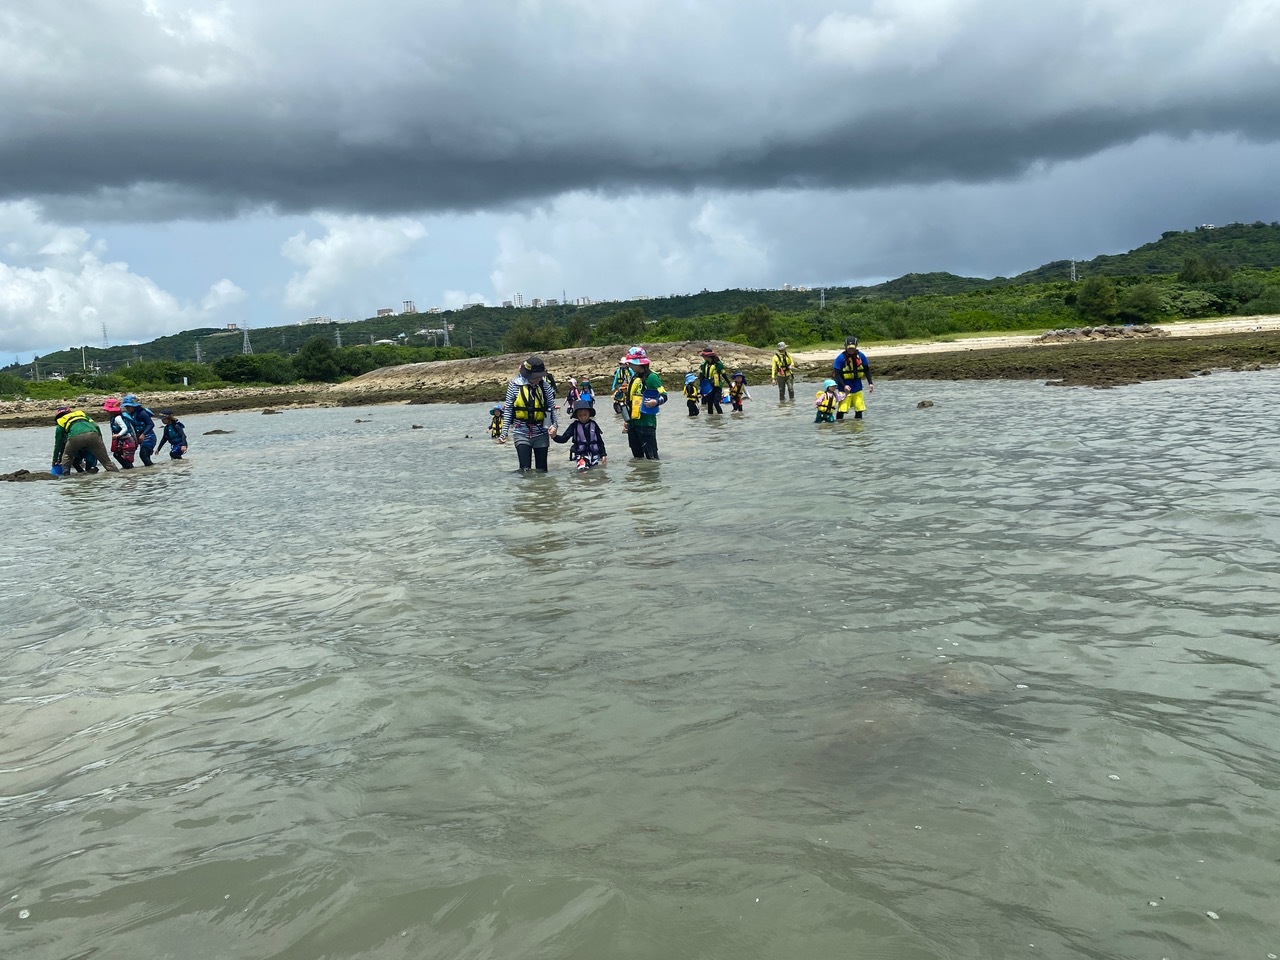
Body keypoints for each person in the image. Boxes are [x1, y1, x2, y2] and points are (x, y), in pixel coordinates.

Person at [497, 356, 560, 473]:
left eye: (540, 376)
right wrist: (504, 433)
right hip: (521, 432)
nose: (538, 379)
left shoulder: (544, 386)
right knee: (525, 470)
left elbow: (551, 408)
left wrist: (555, 426)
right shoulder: (514, 385)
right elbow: (509, 409)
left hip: (541, 432)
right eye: (535, 377)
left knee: (542, 471)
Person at [51, 406, 119, 474]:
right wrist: (100, 440)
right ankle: (117, 475)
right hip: (93, 434)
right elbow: (96, 426)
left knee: (67, 456)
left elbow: (58, 444)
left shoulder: (61, 422)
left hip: (75, 437)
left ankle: (66, 475)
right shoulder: (81, 415)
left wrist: (55, 460)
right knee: (106, 462)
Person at [624, 353, 667, 459]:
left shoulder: (652, 377)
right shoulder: (634, 377)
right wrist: (626, 420)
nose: (629, 365)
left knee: (651, 457)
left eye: (631, 363)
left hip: (646, 423)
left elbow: (664, 396)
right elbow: (630, 401)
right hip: (633, 422)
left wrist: (656, 402)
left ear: (639, 364)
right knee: (637, 457)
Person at [553, 398, 608, 472]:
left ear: (589, 413)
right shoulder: (574, 426)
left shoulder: (594, 425)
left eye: (585, 415)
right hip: (581, 454)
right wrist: (554, 436)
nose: (583, 418)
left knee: (595, 472)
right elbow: (564, 439)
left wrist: (603, 454)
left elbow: (600, 441)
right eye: (580, 415)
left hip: (594, 454)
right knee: (583, 471)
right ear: (577, 416)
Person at [832, 336, 874, 420]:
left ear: (856, 346)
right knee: (842, 410)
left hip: (857, 387)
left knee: (859, 409)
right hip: (844, 388)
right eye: (849, 348)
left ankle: (858, 429)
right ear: (845, 346)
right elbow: (836, 374)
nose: (851, 350)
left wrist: (870, 383)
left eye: (852, 348)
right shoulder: (840, 358)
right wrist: (844, 386)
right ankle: (840, 428)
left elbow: (866, 370)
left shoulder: (861, 356)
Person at [122, 394, 158, 465]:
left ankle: (152, 471)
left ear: (133, 406)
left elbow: (151, 424)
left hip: (149, 437)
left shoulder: (142, 413)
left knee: (143, 455)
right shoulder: (131, 414)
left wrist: (143, 434)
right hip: (139, 439)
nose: (127, 408)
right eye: (126, 407)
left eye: (128, 406)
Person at [103, 397, 138, 469]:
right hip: (122, 441)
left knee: (127, 460)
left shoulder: (118, 418)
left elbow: (124, 428)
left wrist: (118, 435)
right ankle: (126, 469)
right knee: (116, 455)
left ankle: (129, 471)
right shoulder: (115, 417)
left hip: (127, 440)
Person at [698, 347, 728, 414]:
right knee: (709, 404)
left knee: (716, 403)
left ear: (708, 356)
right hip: (708, 386)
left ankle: (720, 417)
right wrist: (701, 388)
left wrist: (729, 384)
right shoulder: (704, 365)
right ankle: (710, 420)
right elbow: (702, 376)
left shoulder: (718, 364)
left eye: (704, 356)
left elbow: (723, 374)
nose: (703, 357)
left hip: (717, 386)